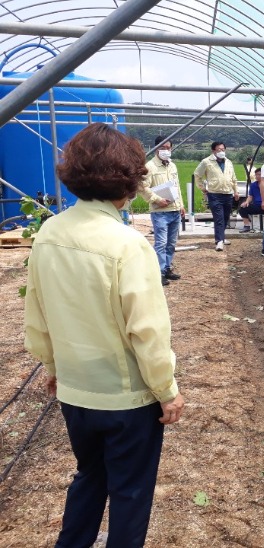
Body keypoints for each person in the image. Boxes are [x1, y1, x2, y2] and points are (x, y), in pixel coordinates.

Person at [23, 123, 184, 547]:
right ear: (129, 181)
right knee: (129, 491)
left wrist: (55, 366)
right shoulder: (127, 245)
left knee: (89, 475)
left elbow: (38, 317)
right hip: (126, 397)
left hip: (76, 390)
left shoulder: (49, 234)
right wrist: (166, 390)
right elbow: (147, 331)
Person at [140, 136, 185, 286]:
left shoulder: (172, 166)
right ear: (156, 148)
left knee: (171, 243)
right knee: (161, 242)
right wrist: (156, 199)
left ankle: (167, 268)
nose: (166, 151)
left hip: (174, 209)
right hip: (160, 211)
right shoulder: (150, 166)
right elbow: (142, 186)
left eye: (168, 148)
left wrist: (181, 205)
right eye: (163, 148)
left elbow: (177, 186)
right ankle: (157, 272)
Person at [194, 141, 238, 251]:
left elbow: (233, 178)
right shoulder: (206, 162)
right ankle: (219, 241)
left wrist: (235, 191)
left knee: (226, 217)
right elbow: (197, 175)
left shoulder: (229, 162)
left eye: (223, 150)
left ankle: (221, 237)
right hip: (214, 194)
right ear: (213, 151)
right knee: (219, 218)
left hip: (228, 193)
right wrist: (203, 188)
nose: (221, 152)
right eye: (219, 150)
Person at [238, 167, 264, 233]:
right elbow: (250, 196)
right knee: (242, 208)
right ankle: (247, 226)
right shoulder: (253, 185)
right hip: (257, 205)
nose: (257, 176)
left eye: (259, 174)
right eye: (256, 175)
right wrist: (246, 202)